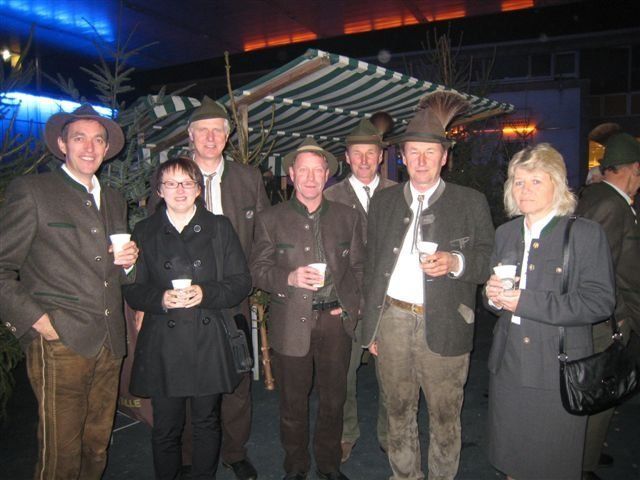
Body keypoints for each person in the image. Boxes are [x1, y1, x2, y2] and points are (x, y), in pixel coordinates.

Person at [361, 91, 495, 480]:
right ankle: (404, 475)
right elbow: (372, 267)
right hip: (393, 320)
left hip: (448, 321)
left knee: (445, 414)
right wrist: (371, 325)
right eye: (414, 152)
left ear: (444, 157)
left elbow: (488, 261)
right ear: (402, 157)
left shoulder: (471, 202)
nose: (422, 160)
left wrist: (457, 262)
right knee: (397, 410)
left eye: (430, 152)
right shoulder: (383, 203)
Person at [0, 104, 138, 479]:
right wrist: (38, 321)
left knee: (97, 445)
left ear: (107, 148)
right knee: (61, 452)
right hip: (60, 341)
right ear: (63, 144)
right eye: (79, 138)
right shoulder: (33, 191)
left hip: (110, 341)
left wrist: (128, 263)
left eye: (98, 139)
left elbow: (115, 272)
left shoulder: (114, 199)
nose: (89, 147)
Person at [148, 96, 268, 480]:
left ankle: (234, 452)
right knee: (186, 378)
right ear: (190, 135)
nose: (211, 137)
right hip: (182, 299)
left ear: (228, 136)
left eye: (218, 130)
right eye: (203, 131)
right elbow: (153, 236)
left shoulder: (248, 178)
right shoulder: (173, 178)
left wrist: (249, 280)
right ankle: (188, 457)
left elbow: (264, 235)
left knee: (237, 377)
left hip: (233, 295)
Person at [484, 143, 615, 480]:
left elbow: (599, 302)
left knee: (552, 464)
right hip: (509, 364)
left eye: (535, 181)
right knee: (512, 458)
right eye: (518, 181)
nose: (524, 189)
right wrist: (493, 297)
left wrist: (525, 301)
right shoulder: (505, 233)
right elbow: (495, 301)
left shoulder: (584, 234)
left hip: (557, 366)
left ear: (557, 184)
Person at [123, 157, 251, 480]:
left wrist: (205, 293)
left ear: (198, 189)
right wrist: (161, 299)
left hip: (207, 339)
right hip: (163, 343)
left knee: (207, 421)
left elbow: (241, 282)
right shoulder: (144, 231)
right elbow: (133, 290)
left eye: (187, 183)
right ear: (159, 190)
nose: (179, 190)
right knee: (166, 426)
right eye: (170, 183)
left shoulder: (219, 227)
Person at [250, 138, 365, 480]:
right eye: (304, 170)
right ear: (291, 174)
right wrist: (289, 277)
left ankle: (329, 466)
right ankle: (296, 467)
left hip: (335, 322)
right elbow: (257, 270)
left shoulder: (348, 217)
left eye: (318, 170)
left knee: (334, 401)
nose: (311, 177)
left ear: (328, 175)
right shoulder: (271, 219)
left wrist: (352, 307)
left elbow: (361, 269)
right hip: (290, 322)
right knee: (292, 404)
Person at [323, 117, 394, 462]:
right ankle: (346, 433)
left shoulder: (399, 193)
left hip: (390, 300)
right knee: (343, 374)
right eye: (357, 153)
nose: (364, 160)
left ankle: (391, 435)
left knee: (392, 374)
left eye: (371, 153)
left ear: (381, 156)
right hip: (346, 301)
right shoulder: (330, 196)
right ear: (347, 157)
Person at [575, 132, 640, 480]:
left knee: (600, 390)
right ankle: (583, 464)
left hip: (606, 315)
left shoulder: (600, 196)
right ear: (633, 169)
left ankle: (589, 453)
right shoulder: (611, 205)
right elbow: (599, 269)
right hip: (608, 318)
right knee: (599, 391)